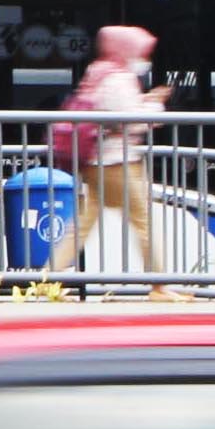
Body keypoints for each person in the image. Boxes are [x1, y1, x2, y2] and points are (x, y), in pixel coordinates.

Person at [58, 23, 166, 277]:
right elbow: (133, 121)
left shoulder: (98, 73)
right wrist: (156, 105)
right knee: (144, 221)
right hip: (117, 161)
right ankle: (160, 284)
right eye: (141, 52)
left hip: (97, 160)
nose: (144, 59)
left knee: (82, 224)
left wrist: (144, 103)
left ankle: (46, 279)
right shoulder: (118, 78)